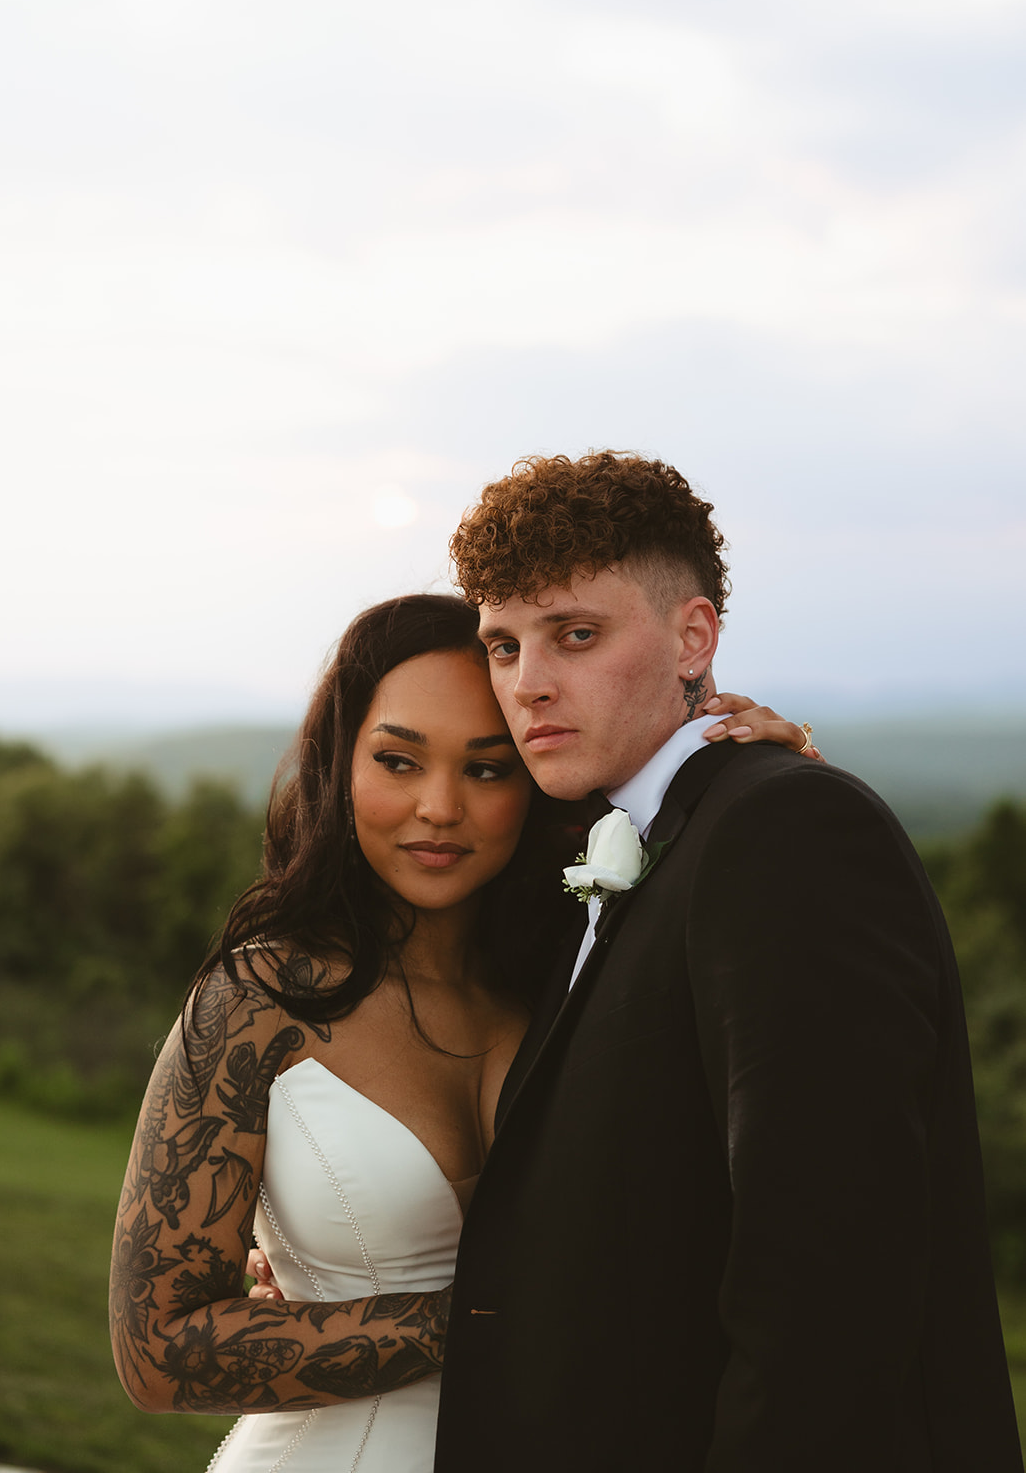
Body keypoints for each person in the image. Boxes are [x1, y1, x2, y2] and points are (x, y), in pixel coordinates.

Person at [109, 590, 810, 1471]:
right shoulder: (258, 1002)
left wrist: (767, 786)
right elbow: (157, 1353)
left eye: (486, 769)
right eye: (398, 761)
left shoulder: (581, 981)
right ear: (339, 767)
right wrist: (489, 1318)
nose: (439, 807)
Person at [434, 451, 1023, 1473]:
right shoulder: (625, 842)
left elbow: (829, 1279)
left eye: (576, 634)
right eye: (502, 645)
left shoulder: (785, 829)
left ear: (692, 637)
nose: (526, 684)